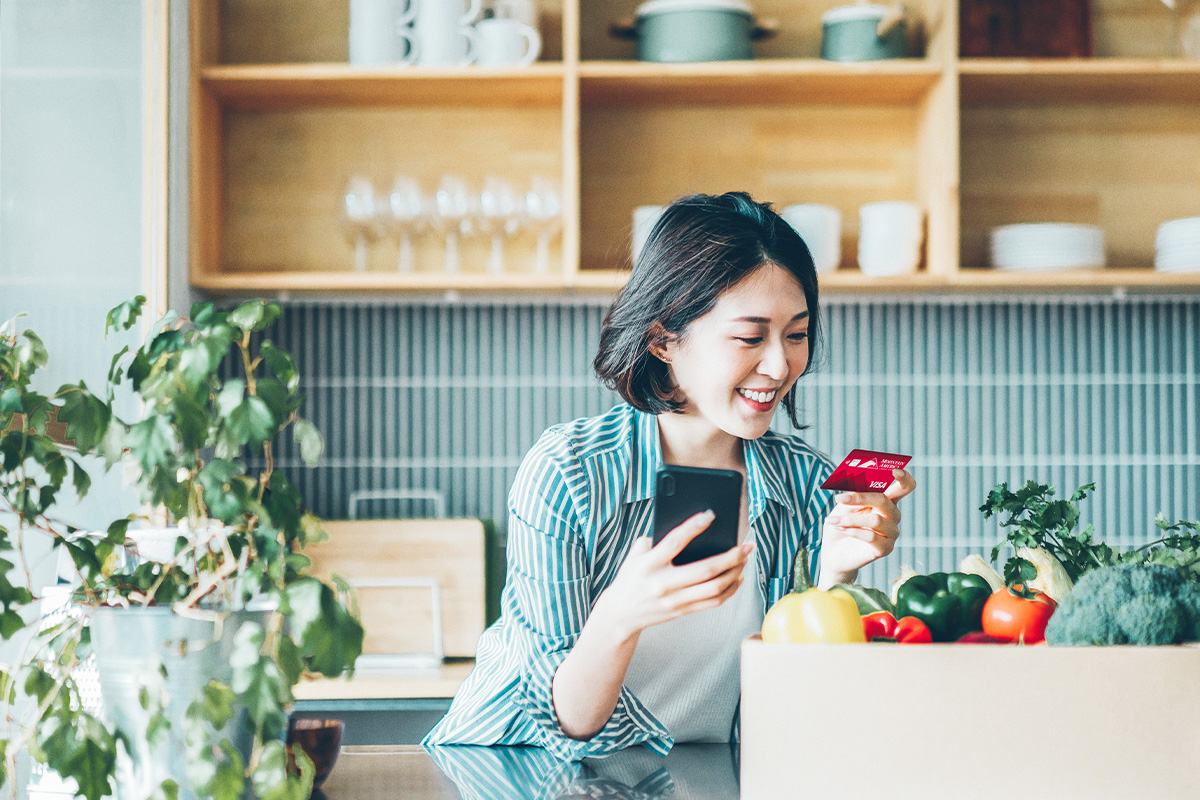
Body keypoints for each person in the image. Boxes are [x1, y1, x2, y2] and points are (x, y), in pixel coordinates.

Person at [423, 191, 916, 760]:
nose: (781, 365)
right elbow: (564, 723)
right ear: (663, 339)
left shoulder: (809, 486)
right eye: (750, 336)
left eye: (797, 334)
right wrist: (622, 612)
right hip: (518, 771)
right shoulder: (570, 473)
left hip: (697, 778)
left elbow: (801, 712)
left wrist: (835, 577)